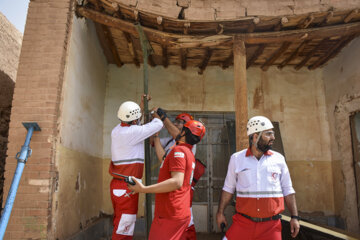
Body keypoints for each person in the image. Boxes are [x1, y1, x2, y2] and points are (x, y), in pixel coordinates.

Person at [216, 116, 300, 240]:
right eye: (268, 134)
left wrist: (295, 217)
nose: (273, 137)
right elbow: (228, 188)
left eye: (273, 133)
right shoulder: (236, 159)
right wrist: (220, 213)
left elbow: (288, 189)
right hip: (243, 224)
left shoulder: (279, 159)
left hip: (271, 227)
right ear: (255, 136)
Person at [128, 119, 206, 240]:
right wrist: (156, 135)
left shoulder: (179, 151)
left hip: (170, 213)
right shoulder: (187, 152)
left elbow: (176, 182)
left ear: (184, 133)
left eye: (182, 128)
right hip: (176, 212)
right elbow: (163, 158)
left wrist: (143, 189)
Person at [109, 96, 163, 240]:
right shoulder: (132, 132)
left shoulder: (117, 130)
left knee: (120, 224)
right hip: (127, 187)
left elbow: (136, 124)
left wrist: (141, 106)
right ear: (133, 120)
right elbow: (157, 124)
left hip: (118, 185)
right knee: (123, 231)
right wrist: (155, 113)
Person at [152, 111, 204, 240]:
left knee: (185, 222)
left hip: (180, 188)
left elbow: (175, 133)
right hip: (172, 185)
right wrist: (155, 127)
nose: (176, 124)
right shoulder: (174, 142)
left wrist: (162, 117)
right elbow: (159, 152)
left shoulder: (185, 145)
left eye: (180, 123)